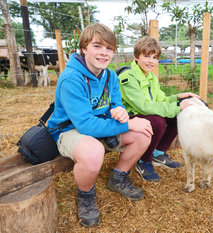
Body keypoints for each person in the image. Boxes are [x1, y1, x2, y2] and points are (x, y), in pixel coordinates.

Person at [48, 23, 153, 228]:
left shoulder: (110, 75)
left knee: (144, 133)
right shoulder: (71, 78)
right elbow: (86, 125)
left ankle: (118, 177)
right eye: (97, 46)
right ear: (84, 48)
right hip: (69, 130)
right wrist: (129, 124)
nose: (104, 53)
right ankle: (86, 195)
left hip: (99, 126)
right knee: (94, 151)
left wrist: (120, 111)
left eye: (109, 48)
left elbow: (116, 103)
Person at [118, 36, 200, 182]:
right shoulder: (128, 77)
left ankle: (158, 153)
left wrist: (179, 98)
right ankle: (143, 160)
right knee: (157, 122)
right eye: (147, 56)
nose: (151, 61)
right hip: (128, 117)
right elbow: (144, 106)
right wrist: (177, 106)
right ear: (136, 56)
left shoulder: (151, 77)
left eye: (155, 57)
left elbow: (161, 100)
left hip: (144, 113)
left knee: (178, 113)